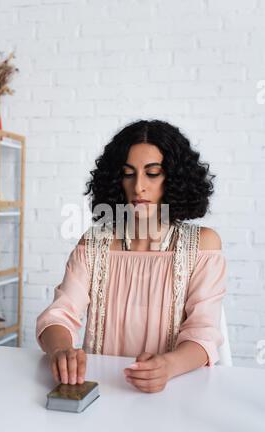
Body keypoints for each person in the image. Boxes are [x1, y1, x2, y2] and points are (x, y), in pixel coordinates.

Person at [36, 119, 227, 394]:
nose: (138, 187)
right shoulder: (94, 244)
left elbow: (204, 332)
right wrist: (61, 350)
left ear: (173, 178)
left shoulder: (202, 245)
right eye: (128, 174)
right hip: (104, 390)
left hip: (176, 393)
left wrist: (169, 366)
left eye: (152, 173)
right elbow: (58, 315)